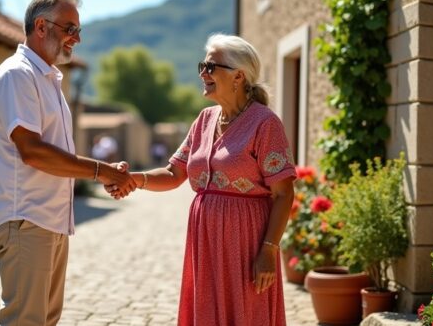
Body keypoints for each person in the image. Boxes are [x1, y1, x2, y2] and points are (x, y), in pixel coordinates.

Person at [108, 33, 296, 325]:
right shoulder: (204, 120)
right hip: (205, 238)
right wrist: (132, 178)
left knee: (246, 310)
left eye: (211, 67)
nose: (202, 73)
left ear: (238, 76)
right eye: (202, 65)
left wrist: (269, 250)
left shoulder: (265, 123)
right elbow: (174, 173)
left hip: (245, 238)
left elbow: (284, 193)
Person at [0, 0, 137, 325]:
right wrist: (101, 171)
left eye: (79, 31)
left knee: (43, 321)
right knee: (27, 321)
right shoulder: (17, 74)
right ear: (41, 26)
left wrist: (107, 172)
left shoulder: (46, 79)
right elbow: (33, 151)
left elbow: (54, 153)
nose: (76, 39)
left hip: (45, 220)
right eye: (70, 29)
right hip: (25, 218)